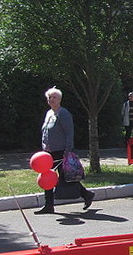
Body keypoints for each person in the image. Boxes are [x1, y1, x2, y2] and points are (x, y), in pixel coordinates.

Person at [35, 86, 94, 214]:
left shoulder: (63, 113)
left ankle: (86, 194)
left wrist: (68, 150)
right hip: (48, 152)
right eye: (49, 97)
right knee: (48, 177)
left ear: (60, 99)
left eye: (54, 97)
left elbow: (69, 132)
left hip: (61, 151)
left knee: (65, 177)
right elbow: (45, 132)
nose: (51, 100)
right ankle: (48, 205)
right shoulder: (49, 113)